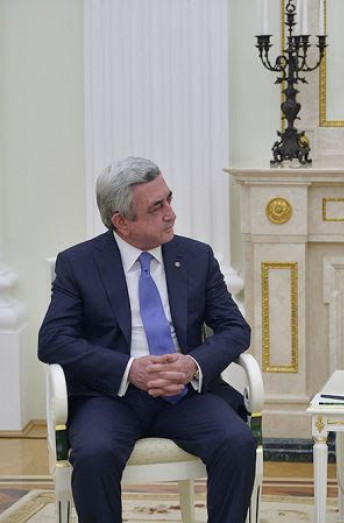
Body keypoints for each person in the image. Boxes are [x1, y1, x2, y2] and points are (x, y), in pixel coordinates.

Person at [38, 157, 256, 523]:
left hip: (186, 394)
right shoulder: (79, 264)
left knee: (237, 442)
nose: (171, 214)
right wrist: (128, 369)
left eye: (169, 199)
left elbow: (236, 329)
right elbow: (53, 340)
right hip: (110, 397)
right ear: (121, 221)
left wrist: (192, 365)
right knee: (93, 454)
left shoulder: (197, 257)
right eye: (157, 207)